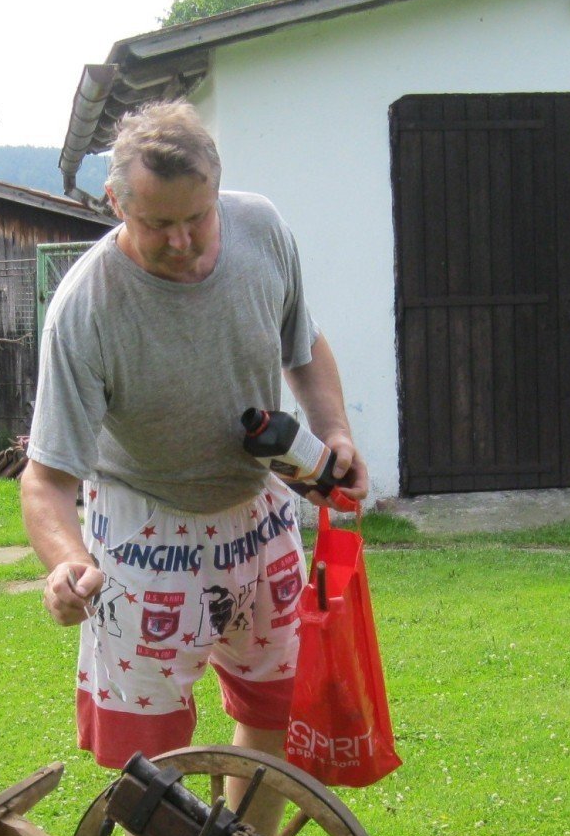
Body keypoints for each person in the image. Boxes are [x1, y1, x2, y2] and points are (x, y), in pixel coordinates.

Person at [21, 100, 368, 781]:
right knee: (150, 757)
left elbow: (302, 341)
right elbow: (47, 479)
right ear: (116, 201)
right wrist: (67, 562)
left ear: (218, 190)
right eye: (158, 224)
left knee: (276, 713)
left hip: (257, 513)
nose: (182, 242)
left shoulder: (261, 228)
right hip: (144, 528)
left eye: (196, 218)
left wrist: (334, 432)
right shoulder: (85, 309)